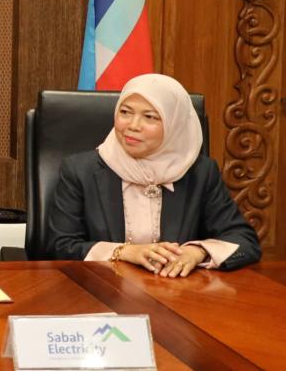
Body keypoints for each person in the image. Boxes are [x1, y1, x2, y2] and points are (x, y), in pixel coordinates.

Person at [46, 73, 261, 274]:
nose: (133, 125)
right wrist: (125, 252)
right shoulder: (80, 171)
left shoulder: (200, 173)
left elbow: (244, 241)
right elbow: (59, 246)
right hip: (101, 289)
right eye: (125, 112)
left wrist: (197, 252)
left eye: (150, 117)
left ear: (174, 125)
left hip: (177, 291)